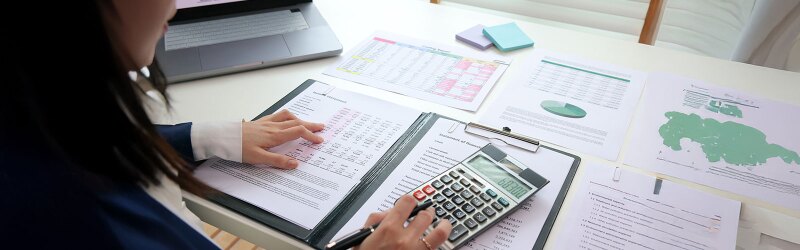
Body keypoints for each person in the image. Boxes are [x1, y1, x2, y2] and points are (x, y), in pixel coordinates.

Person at [1, 0, 451, 249]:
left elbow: (98, 146)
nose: (175, 7)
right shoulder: (77, 217)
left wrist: (206, 136)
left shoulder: (42, 109)